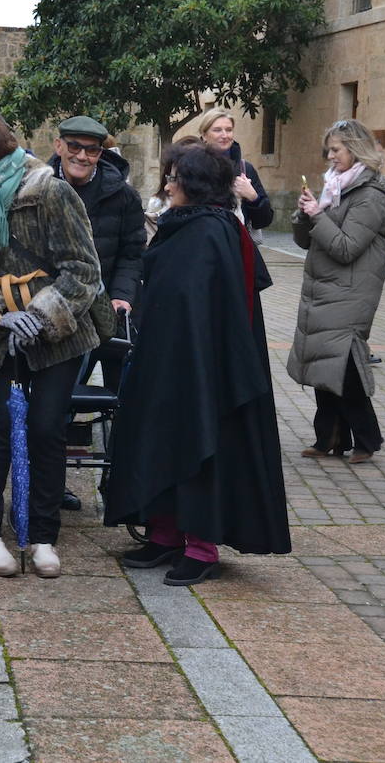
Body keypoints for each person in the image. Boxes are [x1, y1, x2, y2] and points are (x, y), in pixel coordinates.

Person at [105, 143, 290, 586]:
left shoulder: (212, 231)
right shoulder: (183, 225)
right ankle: (165, 533)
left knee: (199, 446)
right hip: (167, 360)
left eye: (174, 177)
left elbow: (215, 309)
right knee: (162, 440)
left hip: (204, 367)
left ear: (194, 184)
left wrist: (197, 363)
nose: (167, 184)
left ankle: (201, 546)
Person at [0, 116, 103, 579]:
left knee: (45, 430)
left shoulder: (53, 193)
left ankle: (42, 536)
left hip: (59, 336)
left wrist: (39, 317)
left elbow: (83, 271)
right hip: (1, 337)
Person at [287, 119, 385, 465]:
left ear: (355, 149)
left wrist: (318, 216)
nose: (329, 157)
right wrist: (305, 215)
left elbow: (347, 247)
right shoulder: (335, 187)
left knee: (345, 367)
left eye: (336, 150)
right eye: (328, 150)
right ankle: (330, 437)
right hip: (325, 289)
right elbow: (306, 241)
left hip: (350, 292)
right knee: (323, 364)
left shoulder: (372, 193)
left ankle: (367, 439)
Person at [48, 115, 143, 390]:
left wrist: (122, 297)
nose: (82, 156)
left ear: (100, 153)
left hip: (107, 311)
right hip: (56, 313)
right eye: (74, 147)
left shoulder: (124, 197)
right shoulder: (37, 188)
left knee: (120, 395)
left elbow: (132, 253)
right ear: (59, 146)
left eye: (91, 150)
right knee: (54, 402)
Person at [195, 108, 273, 234]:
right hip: (202, 243)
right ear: (204, 135)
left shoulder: (245, 169)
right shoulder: (191, 167)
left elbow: (264, 221)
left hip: (236, 246)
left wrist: (254, 197)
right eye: (217, 130)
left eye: (229, 130)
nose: (225, 135)